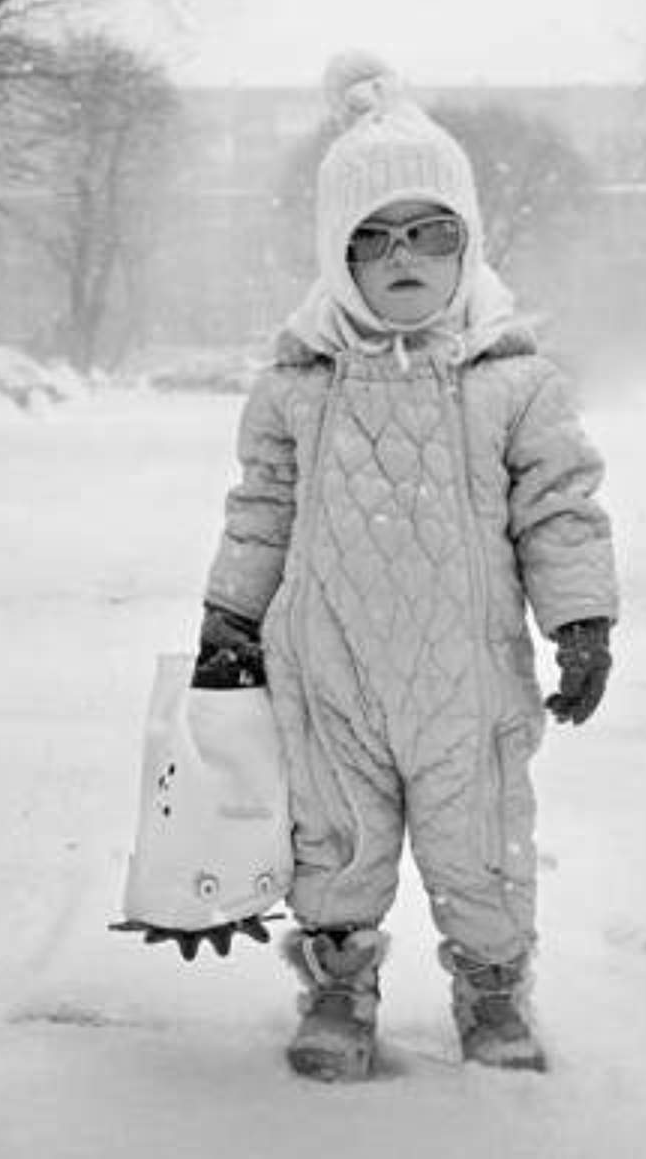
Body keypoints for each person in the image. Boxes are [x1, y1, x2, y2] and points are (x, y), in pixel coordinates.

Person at [194, 52, 619, 1082]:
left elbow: (559, 508)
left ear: (469, 243)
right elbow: (262, 509)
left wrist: (581, 621)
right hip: (328, 670)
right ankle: (340, 987)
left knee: (481, 846)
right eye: (374, 237)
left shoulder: (514, 380)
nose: (405, 257)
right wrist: (229, 617)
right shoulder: (299, 382)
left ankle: (492, 987)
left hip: (467, 678)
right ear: (336, 255)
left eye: (432, 232)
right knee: (335, 841)